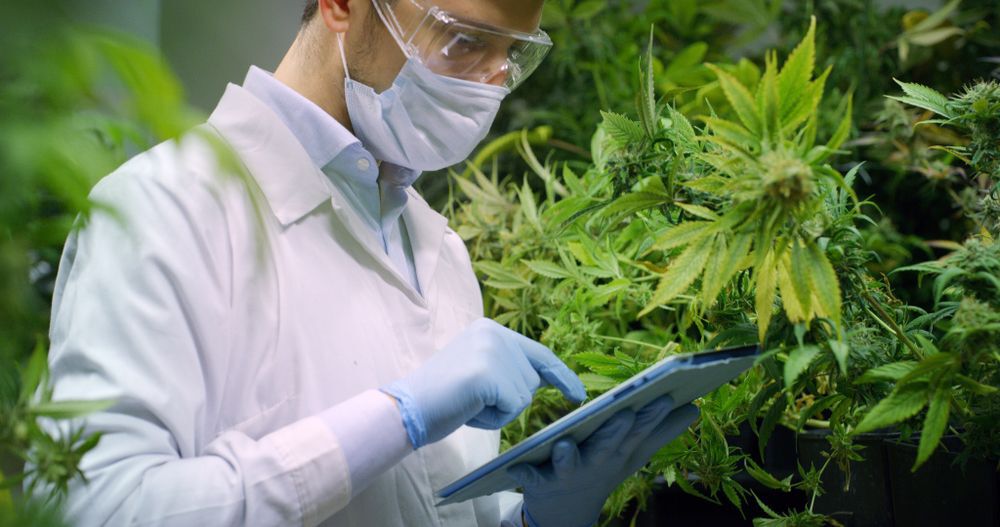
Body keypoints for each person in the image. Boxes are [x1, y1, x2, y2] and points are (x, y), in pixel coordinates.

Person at [41, 0, 699, 525]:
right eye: (464, 41)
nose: (487, 88)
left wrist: (538, 517)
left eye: (512, 57)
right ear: (341, 5)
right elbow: (101, 506)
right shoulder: (160, 210)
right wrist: (395, 415)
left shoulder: (440, 252)